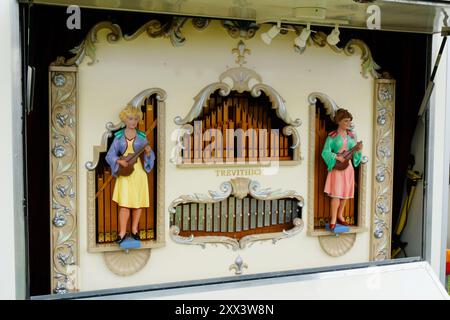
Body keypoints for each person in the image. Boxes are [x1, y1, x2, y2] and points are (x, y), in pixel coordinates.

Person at [106, 104, 155, 244]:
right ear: (125, 120)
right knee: (124, 204)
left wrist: (148, 152)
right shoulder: (118, 137)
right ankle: (122, 232)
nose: (133, 121)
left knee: (137, 203)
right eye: (130, 118)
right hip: (125, 173)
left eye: (135, 119)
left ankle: (134, 230)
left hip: (138, 172)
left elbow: (150, 158)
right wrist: (118, 161)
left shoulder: (142, 137)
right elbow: (110, 155)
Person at [321, 108, 363, 231]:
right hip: (337, 167)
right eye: (345, 121)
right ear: (338, 121)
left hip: (348, 168)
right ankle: (333, 218)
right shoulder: (332, 136)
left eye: (349, 121)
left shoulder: (351, 136)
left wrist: (358, 151)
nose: (348, 123)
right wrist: (336, 157)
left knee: (345, 194)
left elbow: (354, 155)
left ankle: (341, 215)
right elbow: (325, 152)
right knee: (336, 193)